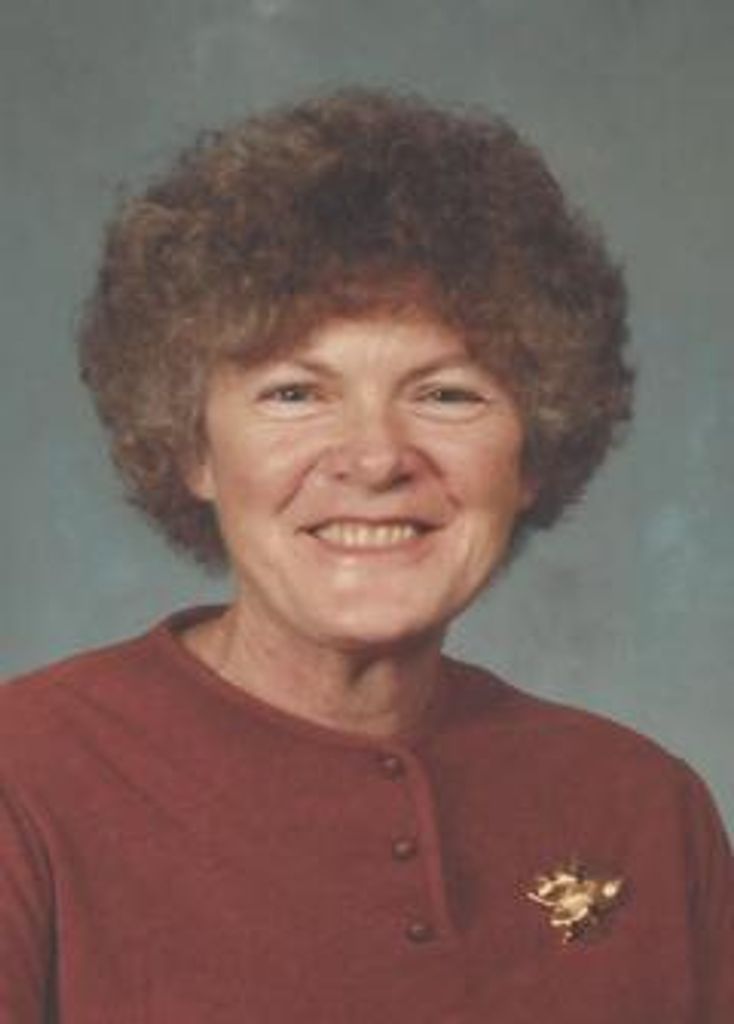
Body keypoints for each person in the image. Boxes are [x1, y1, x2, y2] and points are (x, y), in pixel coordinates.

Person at [0, 88, 731, 1024]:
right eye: (296, 394)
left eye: (448, 395)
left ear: (534, 453)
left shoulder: (643, 805)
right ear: (190, 449)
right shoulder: (27, 777)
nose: (377, 458)